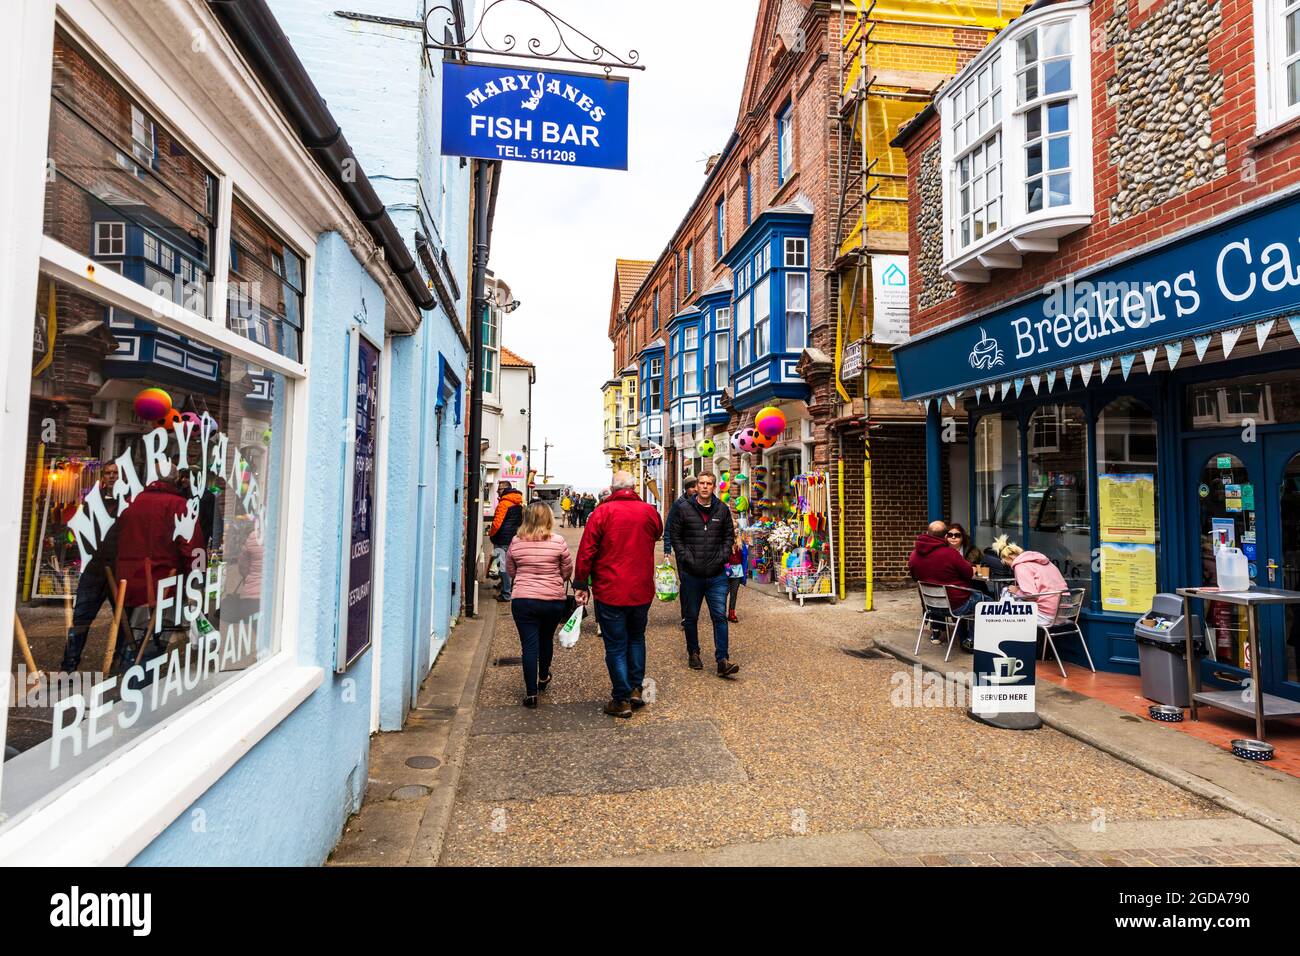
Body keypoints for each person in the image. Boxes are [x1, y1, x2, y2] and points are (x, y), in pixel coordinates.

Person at [574, 470, 662, 718]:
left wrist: (581, 582)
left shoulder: (602, 512)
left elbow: (587, 550)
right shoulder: (648, 511)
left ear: (612, 489)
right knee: (636, 638)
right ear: (633, 488)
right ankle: (636, 689)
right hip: (641, 589)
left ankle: (621, 698)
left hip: (610, 588)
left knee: (615, 645)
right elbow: (658, 532)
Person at [113, 470, 205, 669]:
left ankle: (129, 668)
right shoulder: (179, 505)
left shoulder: (131, 502)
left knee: (137, 632)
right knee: (155, 634)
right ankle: (140, 679)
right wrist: (196, 580)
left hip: (130, 581)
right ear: (177, 480)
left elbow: (115, 539)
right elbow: (193, 547)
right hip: (163, 581)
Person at [665, 472, 739, 677]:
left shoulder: (722, 509)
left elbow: (728, 537)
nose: (705, 487)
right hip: (691, 574)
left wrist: (722, 557)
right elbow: (675, 535)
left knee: (719, 617)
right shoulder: (683, 508)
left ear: (714, 486)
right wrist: (684, 556)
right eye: (701, 483)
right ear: (696, 486)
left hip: (717, 575)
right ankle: (693, 652)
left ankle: (722, 660)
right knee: (691, 617)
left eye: (709, 483)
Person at [506, 502, 573, 707]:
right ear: (549, 519)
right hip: (552, 600)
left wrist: (525, 580)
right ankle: (543, 676)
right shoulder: (558, 541)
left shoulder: (516, 542)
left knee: (529, 646)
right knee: (546, 639)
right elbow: (567, 570)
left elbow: (511, 570)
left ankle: (531, 693)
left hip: (523, 600)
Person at [60, 461, 122, 672]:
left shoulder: (128, 501)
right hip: (94, 568)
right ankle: (68, 665)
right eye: (108, 473)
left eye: (115, 473)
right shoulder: (92, 501)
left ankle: (119, 662)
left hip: (118, 568)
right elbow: (80, 529)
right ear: (103, 476)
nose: (112, 476)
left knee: (123, 619)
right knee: (81, 618)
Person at [907, 520, 980, 645]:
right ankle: (972, 640)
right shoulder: (951, 554)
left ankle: (960, 637)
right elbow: (969, 574)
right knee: (987, 602)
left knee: (972, 599)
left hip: (931, 607)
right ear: (945, 536)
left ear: (927, 533)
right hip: (956, 605)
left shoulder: (914, 555)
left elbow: (915, 578)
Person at [1001, 543, 1069, 625]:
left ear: (1010, 557)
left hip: (1047, 616)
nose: (1009, 566)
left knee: (1006, 605)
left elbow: (1031, 596)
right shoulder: (1047, 562)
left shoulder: (1020, 566)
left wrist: (1016, 591)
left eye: (1006, 563)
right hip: (1063, 614)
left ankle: (1007, 635)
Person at [488, 482, 525, 602]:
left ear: (505, 490)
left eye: (499, 489)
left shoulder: (504, 504)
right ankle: (506, 586)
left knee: (502, 565)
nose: (497, 491)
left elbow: (497, 524)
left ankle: (506, 594)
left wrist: (491, 535)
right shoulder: (518, 503)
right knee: (510, 565)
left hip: (502, 538)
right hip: (513, 538)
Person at [662, 476, 698, 559]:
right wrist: (667, 548)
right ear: (686, 489)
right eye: (692, 487)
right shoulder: (678, 504)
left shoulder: (701, 502)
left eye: (696, 487)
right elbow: (669, 526)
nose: (695, 489)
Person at [724, 540, 745, 623]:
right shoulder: (725, 541)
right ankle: (721, 613)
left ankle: (731, 613)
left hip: (737, 571)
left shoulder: (740, 544)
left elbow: (744, 557)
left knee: (734, 593)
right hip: (726, 570)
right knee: (724, 593)